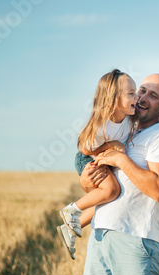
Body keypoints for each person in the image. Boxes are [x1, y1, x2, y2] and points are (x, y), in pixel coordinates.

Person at [79, 73, 159, 275]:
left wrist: (122, 160)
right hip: (101, 232)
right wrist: (87, 180)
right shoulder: (124, 129)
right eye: (141, 90)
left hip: (136, 240)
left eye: (153, 96)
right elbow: (96, 182)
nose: (142, 98)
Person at [57, 69, 139, 260]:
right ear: (113, 98)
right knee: (111, 191)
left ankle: (69, 228)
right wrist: (112, 145)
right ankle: (71, 210)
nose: (137, 97)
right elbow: (85, 148)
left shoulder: (129, 117)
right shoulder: (103, 122)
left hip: (106, 158)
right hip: (87, 158)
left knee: (109, 200)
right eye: (131, 93)